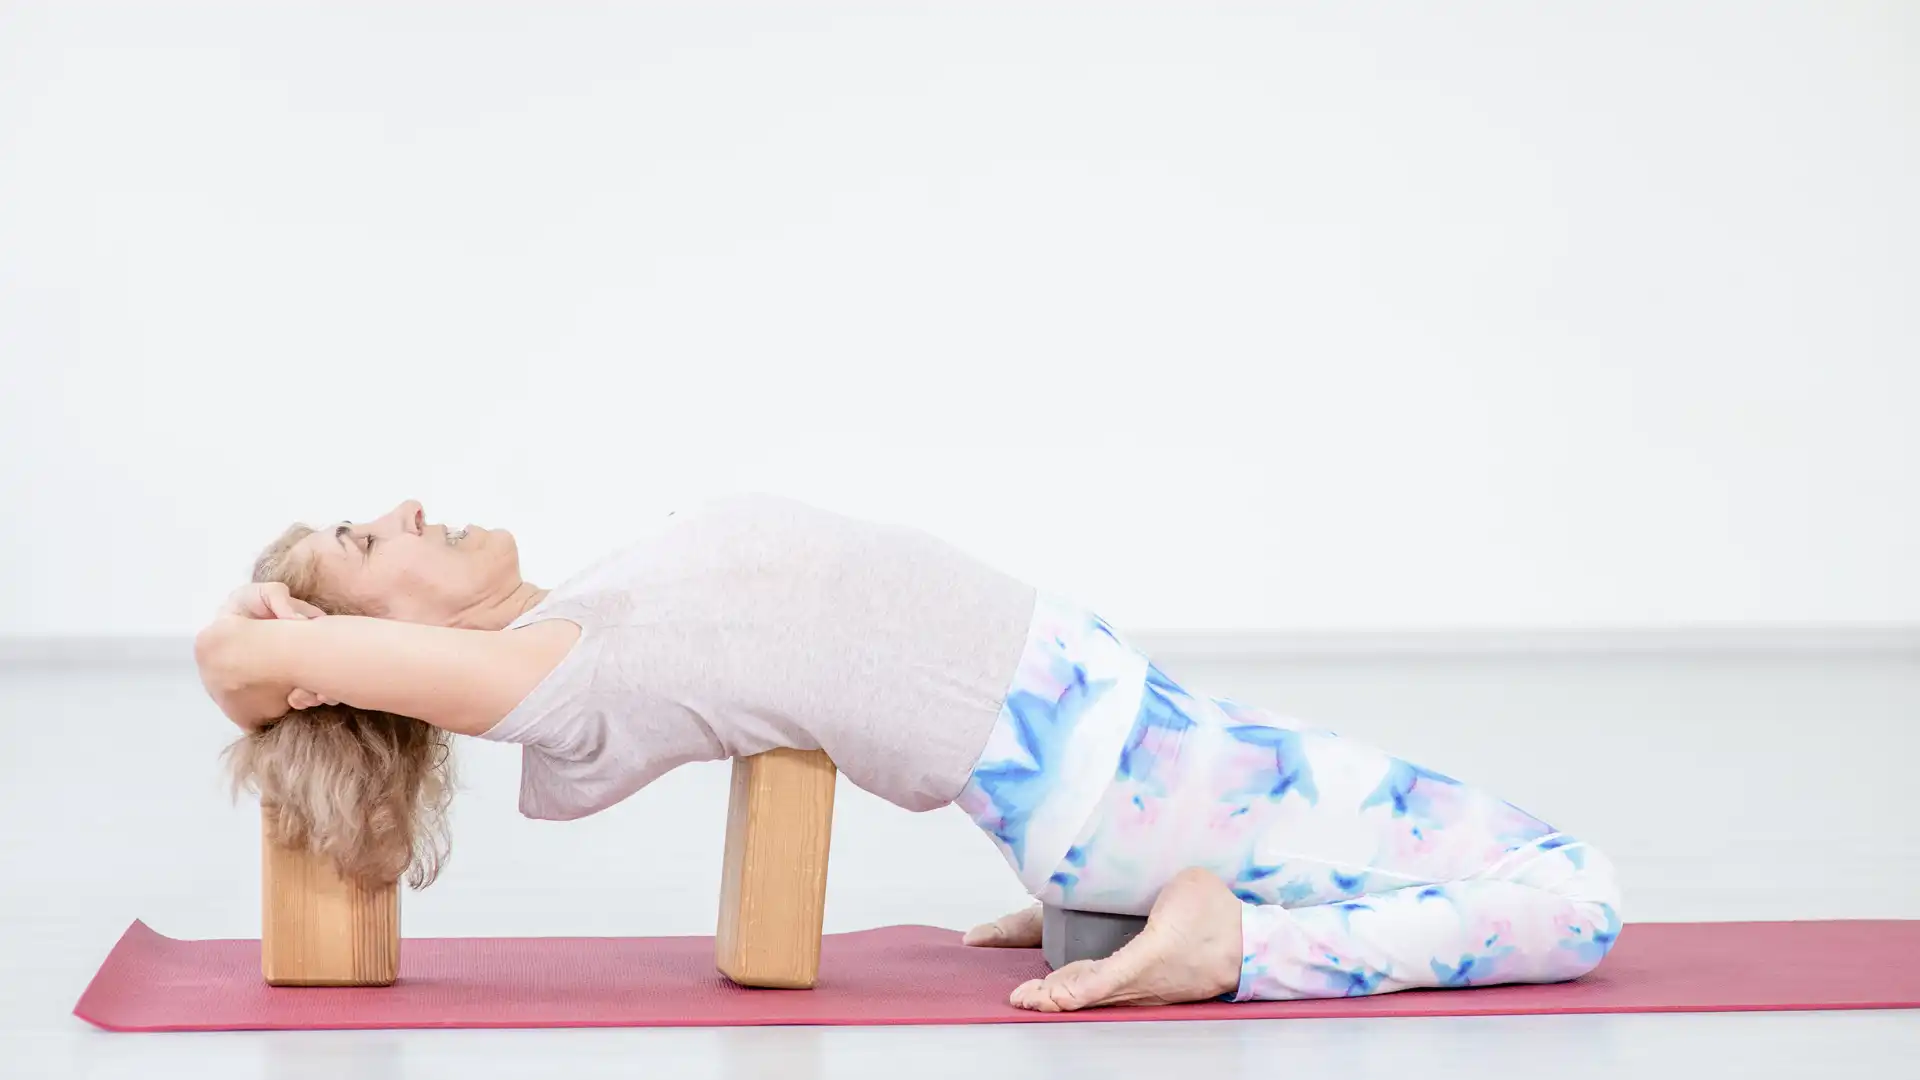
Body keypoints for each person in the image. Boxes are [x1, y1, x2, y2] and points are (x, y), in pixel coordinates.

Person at [195, 492, 1621, 1011]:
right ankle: (1222, 949)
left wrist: (305, 611)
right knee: (1574, 896)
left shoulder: (572, 620)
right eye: (364, 546)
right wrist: (271, 631)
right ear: (373, 651)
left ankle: (1140, 912)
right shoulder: (544, 680)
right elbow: (242, 664)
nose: (407, 504)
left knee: (1511, 869)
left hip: (1142, 764)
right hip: (1135, 775)